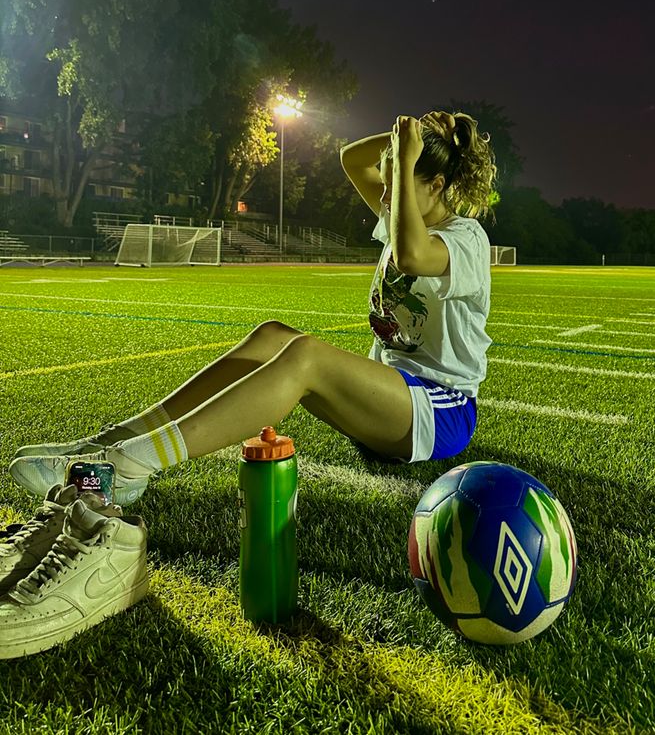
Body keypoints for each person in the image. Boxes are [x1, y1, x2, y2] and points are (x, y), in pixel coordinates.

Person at [10, 111, 496, 505]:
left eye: (398, 185)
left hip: (440, 409)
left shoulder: (466, 239)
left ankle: (129, 466)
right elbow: (352, 159)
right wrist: (400, 136)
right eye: (386, 184)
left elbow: (413, 255)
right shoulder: (401, 215)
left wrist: (408, 152)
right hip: (391, 400)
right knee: (271, 335)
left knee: (305, 356)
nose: (385, 197)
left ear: (436, 185)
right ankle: (110, 441)